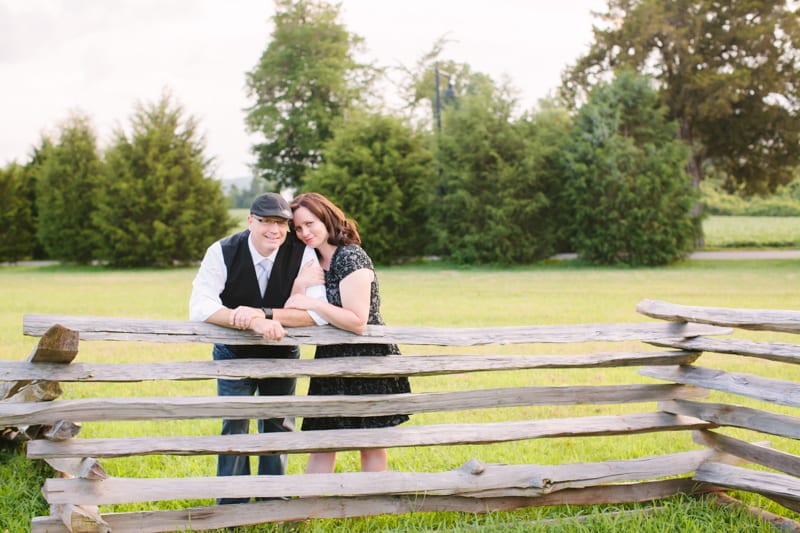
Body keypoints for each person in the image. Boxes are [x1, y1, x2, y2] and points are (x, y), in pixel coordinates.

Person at [189, 192, 326, 504]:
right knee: (235, 425)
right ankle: (232, 504)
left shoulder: (302, 253)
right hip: (232, 352)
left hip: (282, 353)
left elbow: (317, 312)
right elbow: (199, 306)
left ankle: (272, 501)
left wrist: (262, 314)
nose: (273, 230)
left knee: (278, 425)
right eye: (265, 222)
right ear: (250, 221)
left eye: (280, 223)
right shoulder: (223, 250)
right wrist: (248, 322)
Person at [284, 192, 411, 474]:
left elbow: (357, 321)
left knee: (370, 440)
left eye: (310, 223)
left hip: (368, 355)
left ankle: (370, 507)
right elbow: (292, 305)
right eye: (299, 228)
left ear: (327, 217)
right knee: (323, 439)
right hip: (330, 355)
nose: (304, 232)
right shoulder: (311, 260)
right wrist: (299, 285)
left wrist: (313, 302)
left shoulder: (351, 257)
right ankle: (308, 511)